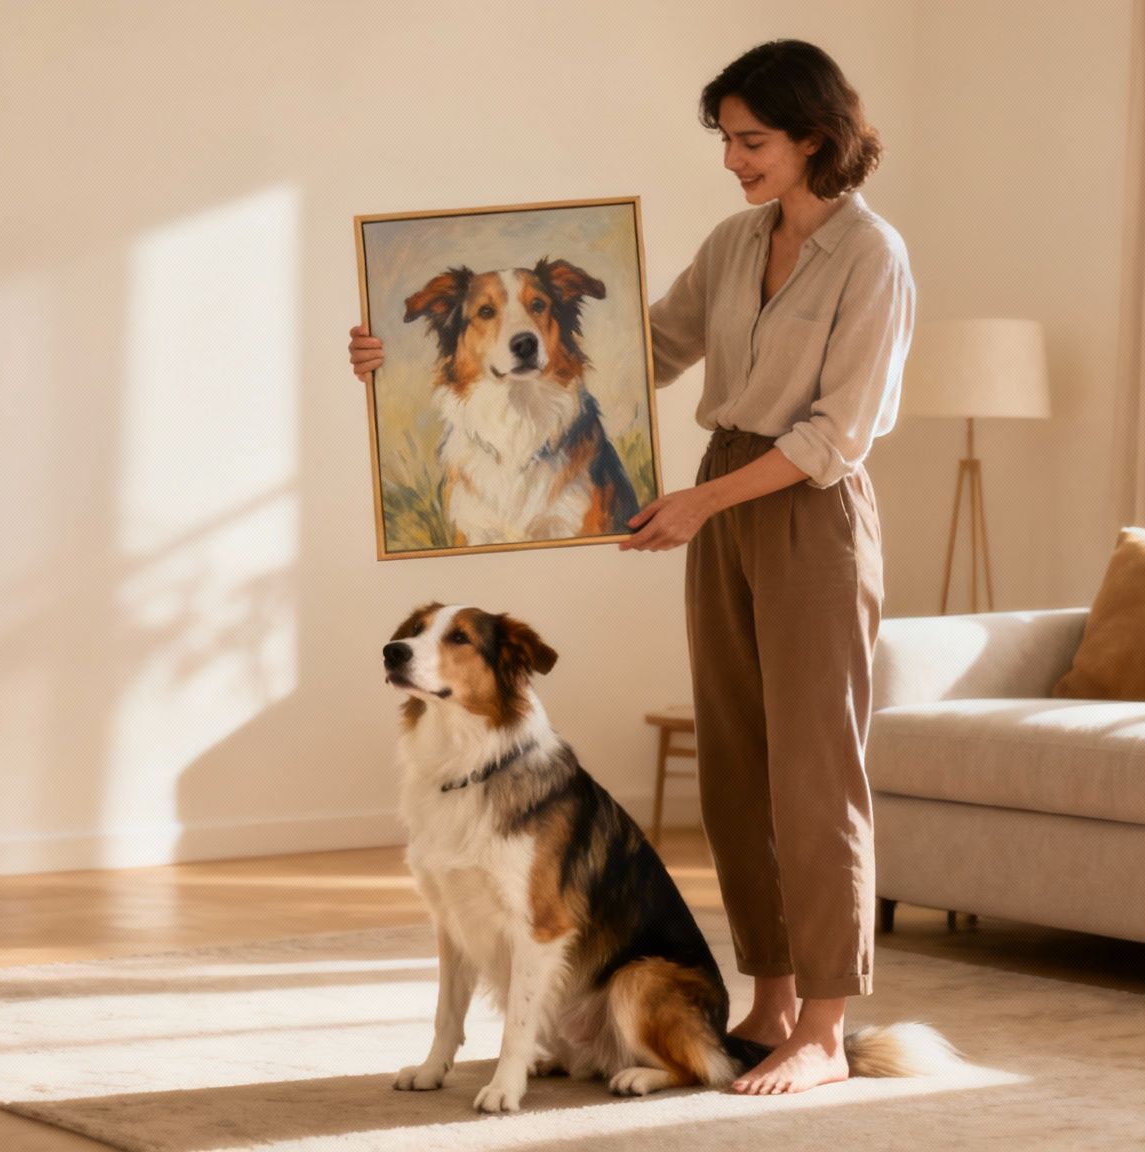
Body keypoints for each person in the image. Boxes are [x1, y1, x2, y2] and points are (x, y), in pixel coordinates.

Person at [347, 39, 913, 1096]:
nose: (733, 161)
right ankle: (773, 1001)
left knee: (812, 771)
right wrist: (396, 364)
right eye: (726, 141)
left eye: (750, 141)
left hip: (808, 510)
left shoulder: (872, 256)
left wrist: (698, 502)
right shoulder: (737, 243)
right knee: (738, 769)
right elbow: (634, 352)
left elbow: (836, 434)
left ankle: (827, 1028)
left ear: (813, 139)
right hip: (725, 488)